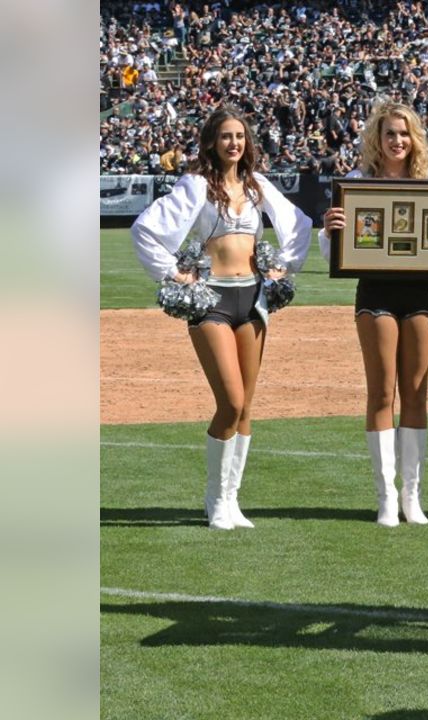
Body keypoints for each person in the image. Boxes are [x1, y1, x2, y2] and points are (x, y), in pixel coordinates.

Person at [132, 106, 312, 530]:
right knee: (230, 402)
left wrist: (284, 266)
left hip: (252, 300)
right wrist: (174, 272)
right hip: (210, 299)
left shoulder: (256, 185)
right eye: (227, 136)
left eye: (240, 137)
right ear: (212, 142)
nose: (235, 143)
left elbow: (299, 223)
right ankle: (214, 497)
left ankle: (232, 501)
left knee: (246, 406)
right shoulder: (196, 185)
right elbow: (145, 229)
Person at [319, 101, 428, 527]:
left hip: (421, 293)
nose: (397, 141)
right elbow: (334, 254)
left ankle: (412, 495)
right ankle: (386, 496)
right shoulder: (358, 182)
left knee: (416, 393)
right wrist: (332, 230)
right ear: (378, 138)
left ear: (416, 139)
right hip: (375, 291)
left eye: (404, 133)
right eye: (390, 133)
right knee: (381, 392)